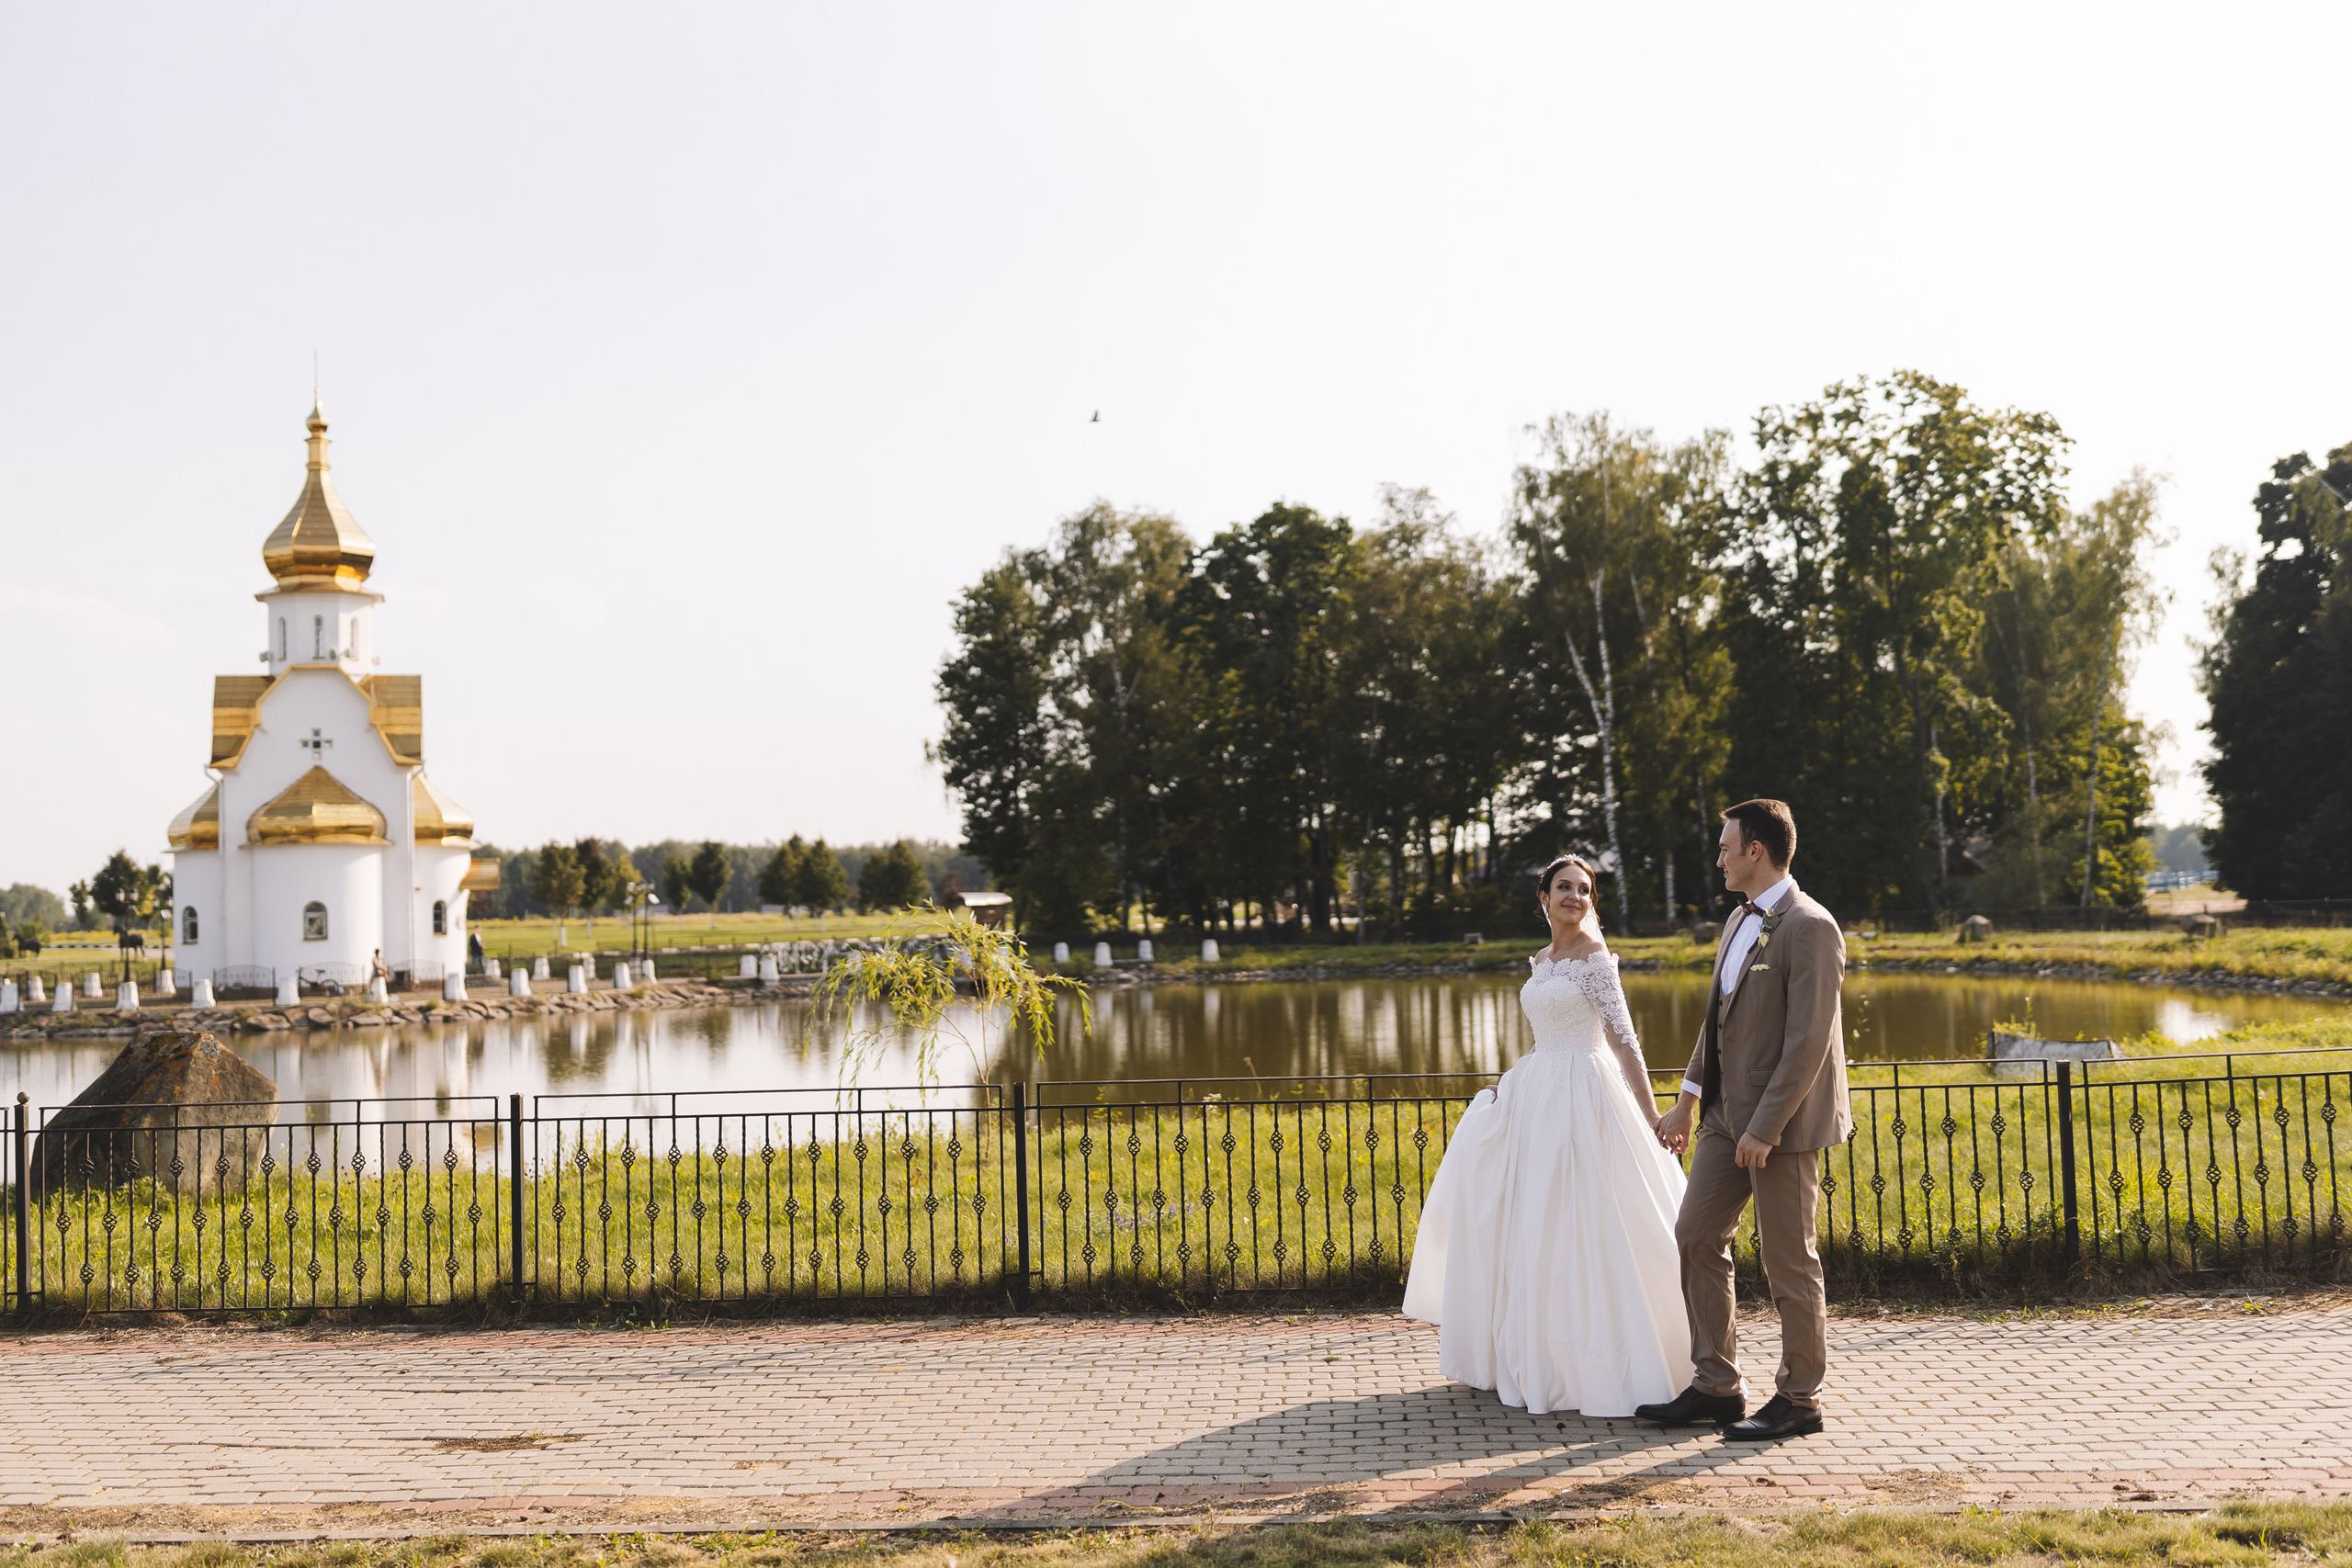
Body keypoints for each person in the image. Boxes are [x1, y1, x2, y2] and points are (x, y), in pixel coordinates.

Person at [1401, 854, 1692, 1417]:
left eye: (1585, 890)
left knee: (1592, 1221)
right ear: (1544, 897)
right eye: (1565, 888)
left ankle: (1613, 1363)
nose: (1575, 898)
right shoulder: (1541, 961)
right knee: (1537, 1223)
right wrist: (1509, 1087)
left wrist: (1652, 1115)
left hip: (1588, 1094)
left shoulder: (1596, 960)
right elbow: (1544, 1036)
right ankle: (1542, 1358)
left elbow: (1625, 1041)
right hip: (1538, 1094)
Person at [1638, 798, 1849, 1441]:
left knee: (1790, 1260)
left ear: (1756, 850)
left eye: (1728, 846)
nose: (1721, 856)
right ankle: (1717, 1384)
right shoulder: (1737, 921)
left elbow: (1807, 1041)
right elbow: (1716, 1020)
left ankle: (1800, 1398)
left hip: (1779, 1126)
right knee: (1696, 1234)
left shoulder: (1811, 925)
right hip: (1726, 1117)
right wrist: (1688, 1097)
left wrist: (1766, 1126)